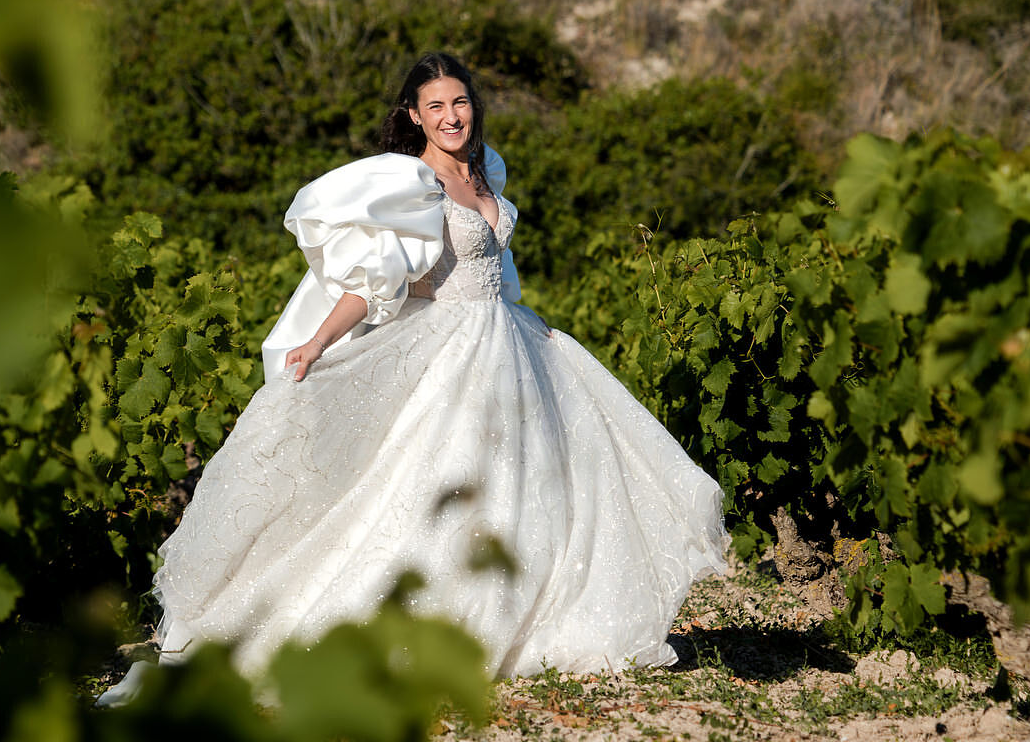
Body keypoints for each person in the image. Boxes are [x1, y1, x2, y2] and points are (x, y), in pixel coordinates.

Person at [97, 51, 729, 706]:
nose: (452, 116)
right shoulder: (413, 186)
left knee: (536, 478)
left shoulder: (489, 171)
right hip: (451, 349)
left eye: (460, 102)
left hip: (511, 340)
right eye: (436, 106)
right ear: (414, 116)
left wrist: (529, 320)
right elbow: (379, 281)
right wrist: (316, 343)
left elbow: (498, 271)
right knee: (444, 483)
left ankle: (523, 618)